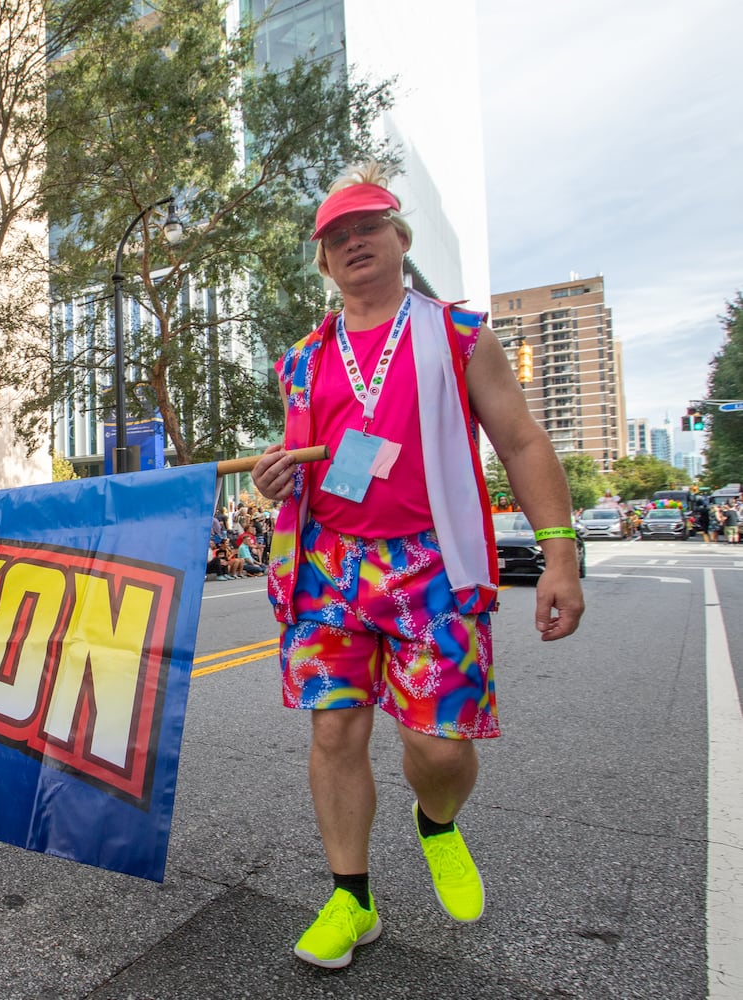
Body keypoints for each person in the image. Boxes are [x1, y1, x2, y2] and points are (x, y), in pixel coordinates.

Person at [249, 162, 584, 970]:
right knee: (336, 728)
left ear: (400, 239)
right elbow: (302, 463)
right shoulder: (301, 359)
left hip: (433, 565)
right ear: (324, 263)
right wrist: (274, 480)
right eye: (336, 236)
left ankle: (436, 821)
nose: (353, 241)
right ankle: (350, 898)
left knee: (438, 747)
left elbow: (523, 442)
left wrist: (560, 556)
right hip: (327, 565)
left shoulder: (460, 336)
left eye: (368, 226)